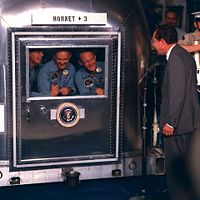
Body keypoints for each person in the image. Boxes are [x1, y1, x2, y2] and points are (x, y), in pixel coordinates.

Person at [152, 24, 200, 200]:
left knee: (176, 168)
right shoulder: (183, 55)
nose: (154, 45)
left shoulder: (176, 59)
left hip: (178, 124)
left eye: (155, 42)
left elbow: (177, 94)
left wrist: (171, 122)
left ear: (163, 42)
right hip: (188, 121)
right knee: (188, 168)